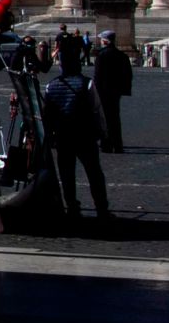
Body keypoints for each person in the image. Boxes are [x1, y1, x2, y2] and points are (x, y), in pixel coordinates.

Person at [42, 41, 111, 227]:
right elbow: (97, 110)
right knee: (94, 173)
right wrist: (103, 133)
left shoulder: (51, 86)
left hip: (62, 136)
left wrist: (49, 136)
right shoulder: (87, 84)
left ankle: (72, 207)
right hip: (84, 135)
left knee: (67, 174)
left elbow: (47, 114)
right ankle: (101, 208)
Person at [90, 30, 130, 152]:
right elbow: (128, 74)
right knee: (115, 118)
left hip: (103, 91)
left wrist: (94, 92)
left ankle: (106, 144)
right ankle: (118, 144)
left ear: (105, 41)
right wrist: (124, 89)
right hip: (116, 91)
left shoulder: (101, 56)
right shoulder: (122, 55)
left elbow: (97, 76)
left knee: (103, 118)